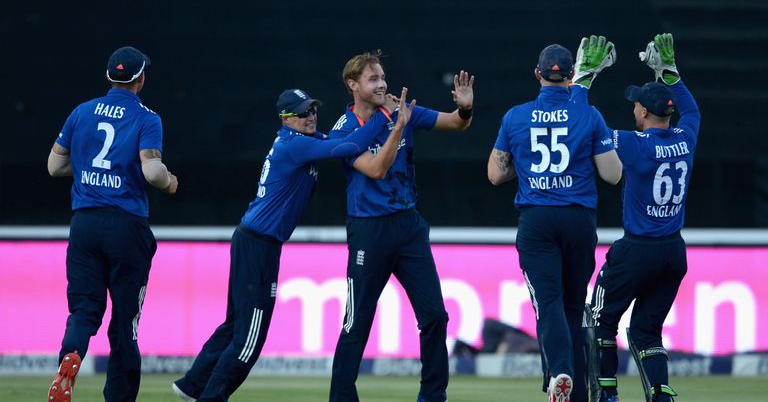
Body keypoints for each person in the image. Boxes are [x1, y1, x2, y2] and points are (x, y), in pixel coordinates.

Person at [171, 87, 413, 402]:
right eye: (302, 112)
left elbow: (343, 144)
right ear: (285, 119)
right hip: (258, 246)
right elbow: (352, 144)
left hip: (254, 241)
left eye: (312, 110)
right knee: (249, 340)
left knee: (236, 325)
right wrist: (385, 115)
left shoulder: (305, 142)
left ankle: (192, 385)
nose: (310, 116)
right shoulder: (295, 145)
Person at [327, 50, 474, 402]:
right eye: (373, 79)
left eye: (382, 77)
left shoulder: (398, 109)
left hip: (408, 228)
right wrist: (398, 125)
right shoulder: (342, 132)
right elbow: (376, 168)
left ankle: (433, 396)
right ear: (353, 86)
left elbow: (455, 122)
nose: (382, 84)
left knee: (435, 315)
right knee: (356, 324)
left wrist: (465, 108)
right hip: (368, 231)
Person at [487, 39, 623, 402]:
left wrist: (528, 161)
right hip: (578, 220)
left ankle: (559, 371)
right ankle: (575, 391)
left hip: (537, 221)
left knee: (548, 304)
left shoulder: (515, 116)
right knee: (573, 307)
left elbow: (495, 175)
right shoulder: (589, 115)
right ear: (570, 78)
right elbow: (612, 174)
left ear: (538, 74)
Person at [47, 46, 179, 402]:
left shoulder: (81, 112)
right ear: (140, 79)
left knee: (83, 310)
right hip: (126, 227)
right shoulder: (147, 117)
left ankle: (71, 354)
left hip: (85, 225)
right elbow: (152, 171)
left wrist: (90, 167)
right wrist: (169, 182)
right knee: (125, 324)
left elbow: (54, 167)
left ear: (109, 77)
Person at [587, 34, 698, 402]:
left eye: (636, 104)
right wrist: (671, 74)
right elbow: (693, 112)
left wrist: (585, 78)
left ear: (645, 114)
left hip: (637, 250)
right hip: (673, 252)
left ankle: (606, 395)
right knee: (647, 332)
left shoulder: (635, 143)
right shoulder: (686, 137)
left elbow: (588, 125)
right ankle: (662, 397)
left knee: (600, 321)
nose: (633, 106)